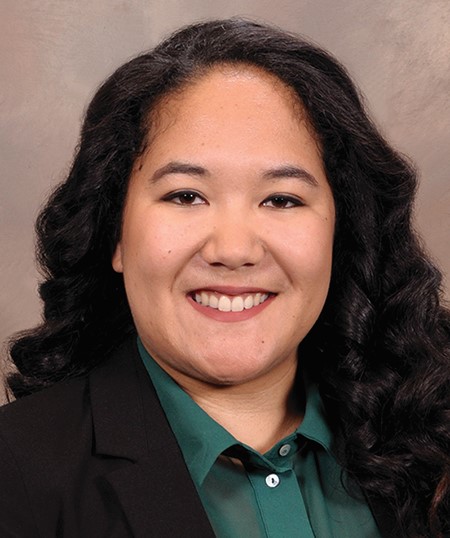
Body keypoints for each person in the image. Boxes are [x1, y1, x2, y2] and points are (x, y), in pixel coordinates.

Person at [0, 18, 448, 538]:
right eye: (185, 196)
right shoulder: (13, 476)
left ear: (340, 234)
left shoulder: (432, 444)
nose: (233, 250)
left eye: (282, 199)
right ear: (114, 233)